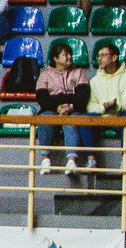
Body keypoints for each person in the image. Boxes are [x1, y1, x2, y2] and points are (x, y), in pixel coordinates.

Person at [83, 40, 126, 172]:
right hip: (103, 116)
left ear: (114, 57)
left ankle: (125, 159)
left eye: (104, 55)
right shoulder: (95, 80)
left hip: (120, 116)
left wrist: (117, 106)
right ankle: (91, 159)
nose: (100, 59)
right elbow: (90, 106)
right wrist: (104, 108)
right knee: (84, 119)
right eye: (98, 56)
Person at [34, 39, 91, 173]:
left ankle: (71, 161)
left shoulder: (79, 72)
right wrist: (57, 108)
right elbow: (42, 98)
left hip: (74, 109)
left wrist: (71, 106)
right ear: (55, 58)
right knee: (46, 118)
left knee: (71, 121)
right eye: (65, 55)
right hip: (52, 110)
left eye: (70, 54)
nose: (69, 57)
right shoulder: (45, 75)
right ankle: (46, 160)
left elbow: (83, 95)